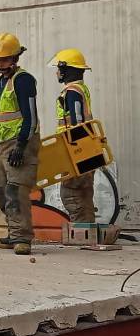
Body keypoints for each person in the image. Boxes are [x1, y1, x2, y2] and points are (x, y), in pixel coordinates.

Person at [0, 33, 40, 256]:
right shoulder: (2, 82)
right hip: (1, 144)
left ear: (15, 57)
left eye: (5, 59)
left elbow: (31, 116)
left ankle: (22, 237)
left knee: (15, 189)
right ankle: (13, 232)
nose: (0, 64)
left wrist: (21, 145)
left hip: (19, 142)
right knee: (0, 190)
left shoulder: (23, 79)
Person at [49, 48, 96, 223]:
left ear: (67, 70)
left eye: (59, 68)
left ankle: (81, 231)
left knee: (72, 192)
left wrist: (74, 148)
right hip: (87, 146)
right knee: (84, 192)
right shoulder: (81, 88)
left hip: (77, 147)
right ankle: (86, 230)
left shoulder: (72, 92)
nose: (57, 72)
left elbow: (76, 121)